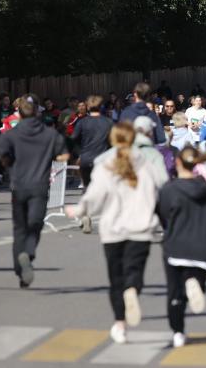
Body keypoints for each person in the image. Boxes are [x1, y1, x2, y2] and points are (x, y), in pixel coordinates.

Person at [67, 123, 167, 344]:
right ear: (133, 139)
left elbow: (94, 195)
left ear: (113, 140)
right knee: (135, 273)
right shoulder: (147, 164)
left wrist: (79, 210)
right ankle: (133, 290)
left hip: (113, 230)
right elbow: (159, 190)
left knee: (116, 279)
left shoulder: (105, 165)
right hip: (141, 229)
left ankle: (120, 325)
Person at [156, 145, 206, 348]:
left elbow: (162, 214)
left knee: (174, 292)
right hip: (201, 246)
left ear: (178, 162)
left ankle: (178, 332)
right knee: (198, 283)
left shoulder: (169, 189)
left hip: (175, 245)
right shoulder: (205, 188)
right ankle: (194, 283)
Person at [0, 97, 69, 287]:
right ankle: (28, 253)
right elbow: (64, 155)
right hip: (40, 186)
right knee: (35, 224)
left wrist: (11, 167)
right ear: (37, 113)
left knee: (19, 228)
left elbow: (2, 154)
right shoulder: (49, 134)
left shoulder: (11, 135)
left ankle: (21, 269)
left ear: (19, 114)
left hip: (18, 186)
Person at [72, 95, 114, 233]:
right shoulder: (108, 122)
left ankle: (86, 216)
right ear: (101, 106)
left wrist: (80, 153)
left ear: (88, 107)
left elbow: (74, 139)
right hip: (102, 159)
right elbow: (113, 141)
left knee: (87, 187)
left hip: (86, 158)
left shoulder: (82, 122)